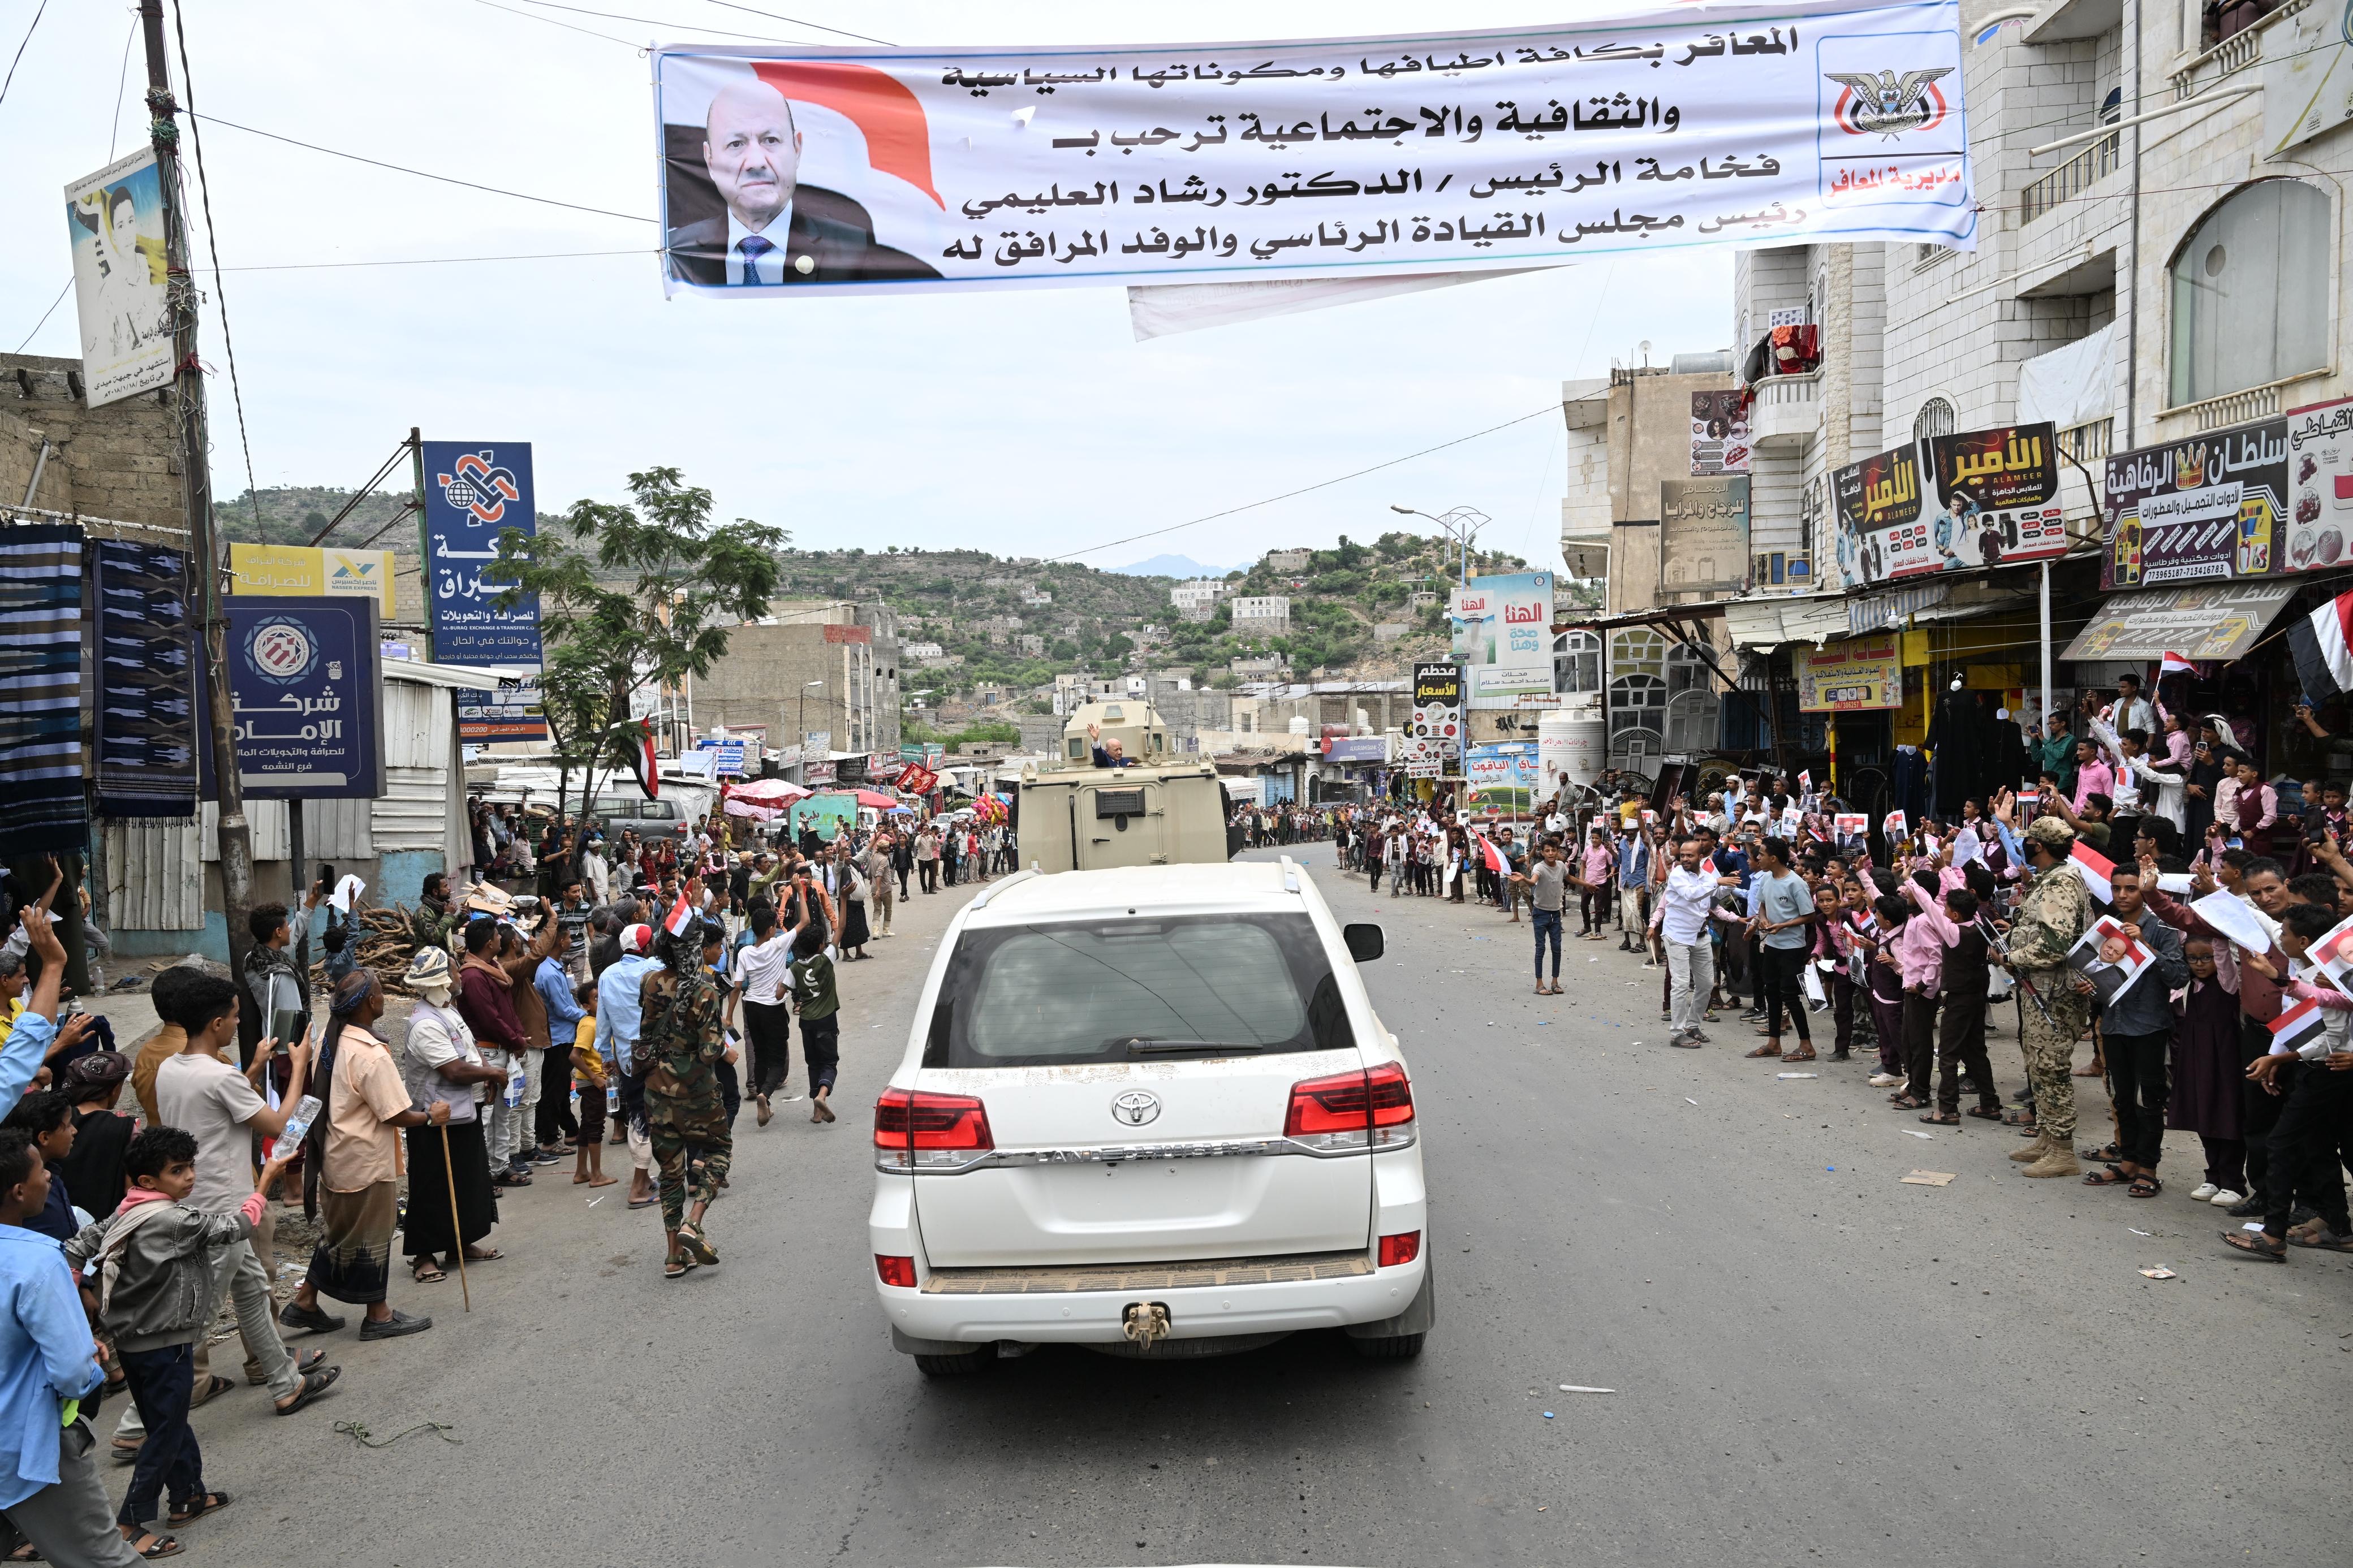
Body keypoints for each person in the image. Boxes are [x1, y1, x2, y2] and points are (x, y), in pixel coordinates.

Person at [67, 1128, 295, 1557]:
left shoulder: (125, 1211)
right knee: (166, 1431)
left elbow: (77, 1246)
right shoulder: (173, 1219)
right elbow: (238, 1225)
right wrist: (265, 1181)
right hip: (164, 1342)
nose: (190, 1176)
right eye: (178, 1170)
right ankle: (130, 1520)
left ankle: (189, 1494)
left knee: (166, 1421)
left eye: (191, 1166)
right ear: (147, 1181)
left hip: (133, 1342)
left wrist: (81, 1291)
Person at [0, 1128, 148, 1568]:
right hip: (27, 1443)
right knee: (104, 1558)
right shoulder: (38, 1260)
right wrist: (89, 1357)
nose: (49, 1176)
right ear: (18, 1190)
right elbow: (70, 1369)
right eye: (41, 1170)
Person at [280, 971, 443, 1342]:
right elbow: (395, 1112)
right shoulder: (369, 1053)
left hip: (336, 1155)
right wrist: (432, 1116)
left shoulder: (331, 1038)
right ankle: (378, 1314)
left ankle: (305, 1300)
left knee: (339, 1234)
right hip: (365, 1160)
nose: (384, 996)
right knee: (371, 1236)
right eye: (381, 991)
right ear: (371, 1002)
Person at [665, 79, 940, 287]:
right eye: (736, 144)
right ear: (710, 160)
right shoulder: (677, 252)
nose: (756, 162)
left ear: (797, 149)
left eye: (770, 140)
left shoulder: (857, 254)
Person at [397, 949, 507, 1285]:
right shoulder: (426, 1024)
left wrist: (484, 1078)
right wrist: (493, 1073)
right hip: (434, 1119)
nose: (461, 976)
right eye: (457, 971)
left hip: (462, 1113)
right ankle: (424, 1256)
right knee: (432, 1187)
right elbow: (455, 1070)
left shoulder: (447, 1012)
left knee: (466, 1179)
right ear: (443, 980)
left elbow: (467, 1056)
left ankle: (461, 1244)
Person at [1998, 813, 2097, 1178]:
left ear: (2037, 845)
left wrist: (2010, 957)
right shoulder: (2050, 878)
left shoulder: (2060, 882)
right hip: (2039, 988)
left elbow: (2056, 944)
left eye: (2027, 840)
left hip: (2055, 993)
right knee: (2037, 1065)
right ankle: (2047, 1137)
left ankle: (2063, 1149)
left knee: (2050, 1067)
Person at [2081, 863, 2187, 1195]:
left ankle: (2148, 1169)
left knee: (2149, 1100)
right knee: (2121, 1096)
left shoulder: (2161, 928)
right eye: (2117, 889)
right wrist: (2089, 987)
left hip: (2149, 1025)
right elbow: (2101, 974)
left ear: (2143, 891)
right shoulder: (2106, 928)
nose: (2123, 895)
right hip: (2114, 1024)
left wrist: (2147, 948)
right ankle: (2128, 1162)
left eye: (2130, 889)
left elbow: (2180, 977)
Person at [639, 921, 733, 1280]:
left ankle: (674, 1257)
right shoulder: (706, 991)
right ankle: (693, 1224)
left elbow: (645, 1030)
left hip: (656, 1092)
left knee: (671, 1172)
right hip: (696, 1093)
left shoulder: (650, 982)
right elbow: (710, 1052)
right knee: (720, 1150)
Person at [593, 926, 663, 1211]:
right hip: (658, 1056)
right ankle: (638, 1185)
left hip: (627, 1059)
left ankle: (645, 1178)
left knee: (639, 1114)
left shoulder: (607, 975)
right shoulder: (655, 968)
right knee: (649, 1119)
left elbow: (603, 1020)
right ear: (647, 947)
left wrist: (607, 1054)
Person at [1652, 839, 1732, 1048]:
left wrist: (1728, 884)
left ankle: (1693, 1025)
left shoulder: (1707, 876)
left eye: (1690, 856)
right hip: (1677, 937)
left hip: (1701, 936)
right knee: (1680, 985)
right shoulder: (1678, 874)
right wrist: (1718, 883)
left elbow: (1713, 899)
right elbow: (1691, 894)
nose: (1685, 859)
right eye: (1683, 855)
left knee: (1706, 983)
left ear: (1700, 857)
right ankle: (1677, 1033)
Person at [1747, 837, 1817, 1063]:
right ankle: (1774, 1043)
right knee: (1772, 993)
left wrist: (1783, 925)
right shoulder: (1766, 878)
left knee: (1790, 996)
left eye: (1762, 854)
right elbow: (1763, 905)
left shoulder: (1796, 883)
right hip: (1772, 946)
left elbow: (1809, 915)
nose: (1758, 858)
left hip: (1792, 948)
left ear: (1774, 858)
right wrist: (1764, 920)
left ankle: (1806, 1045)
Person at [56, 1052, 135, 1223]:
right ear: (115, 1090)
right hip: (102, 1223)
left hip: (61, 1213)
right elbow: (131, 1187)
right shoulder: (125, 1127)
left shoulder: (58, 1119)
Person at [736, 905, 795, 1125]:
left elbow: (737, 986)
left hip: (751, 1005)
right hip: (773, 1007)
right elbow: (805, 922)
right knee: (778, 1058)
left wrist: (730, 1014)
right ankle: (765, 1094)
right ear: (771, 929)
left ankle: (765, 1104)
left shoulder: (745, 952)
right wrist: (799, 891)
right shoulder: (778, 944)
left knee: (760, 1057)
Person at [0, 1095, 76, 1245]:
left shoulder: (51, 1174)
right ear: (45, 1138)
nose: (74, 1131)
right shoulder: (30, 1191)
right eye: (68, 1126)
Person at [789, 905, 841, 1123]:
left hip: (807, 1021)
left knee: (813, 1064)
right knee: (829, 1063)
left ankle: (816, 1113)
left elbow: (779, 991)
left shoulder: (795, 968)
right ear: (821, 946)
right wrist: (844, 900)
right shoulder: (826, 959)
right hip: (826, 1020)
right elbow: (841, 930)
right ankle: (822, 1096)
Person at [568, 983, 614, 1189]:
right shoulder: (589, 1025)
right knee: (596, 1127)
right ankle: (596, 1175)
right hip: (593, 1082)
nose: (601, 1000)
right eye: (596, 998)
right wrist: (595, 1078)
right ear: (586, 1005)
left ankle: (581, 1172)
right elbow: (574, 1056)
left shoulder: (598, 1021)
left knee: (587, 1127)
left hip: (593, 1081)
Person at [1513, 839, 1571, 996]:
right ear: (1543, 853)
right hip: (1540, 913)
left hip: (1555, 913)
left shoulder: (1561, 866)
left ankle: (1555, 982)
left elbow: (1570, 878)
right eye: (1547, 851)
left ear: (1557, 851)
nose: (1551, 854)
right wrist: (1524, 879)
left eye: (1553, 850)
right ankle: (1539, 984)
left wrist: (1587, 885)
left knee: (1557, 948)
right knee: (1541, 948)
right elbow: (1533, 882)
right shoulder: (1539, 867)